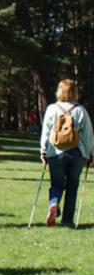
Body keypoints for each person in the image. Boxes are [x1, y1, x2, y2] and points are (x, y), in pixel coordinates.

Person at [40, 79, 94, 228]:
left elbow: (46, 132)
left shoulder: (52, 109)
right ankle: (67, 220)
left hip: (56, 152)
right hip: (77, 153)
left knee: (56, 184)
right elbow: (88, 135)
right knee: (72, 186)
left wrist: (43, 151)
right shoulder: (81, 110)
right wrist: (91, 154)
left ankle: (54, 203)